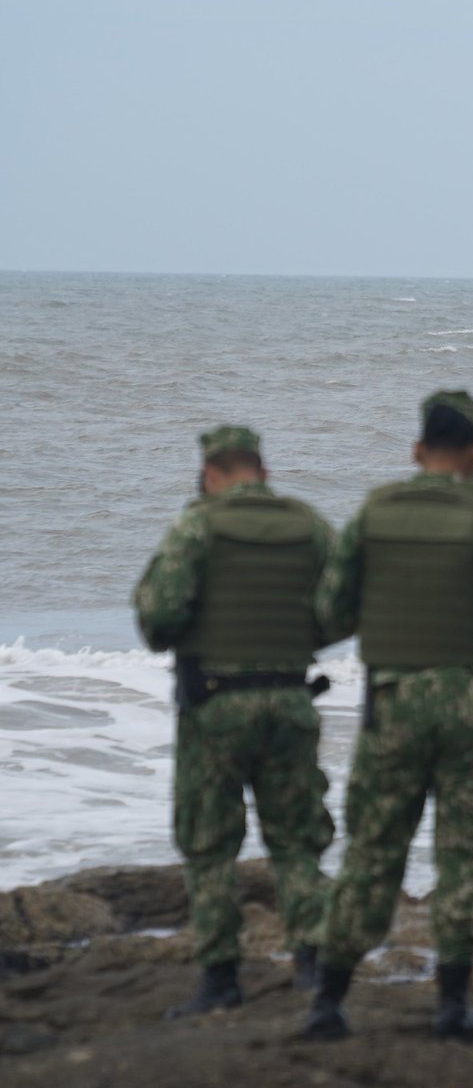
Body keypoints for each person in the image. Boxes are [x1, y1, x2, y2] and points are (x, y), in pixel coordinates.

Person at [304, 390, 473, 1042]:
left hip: (394, 704)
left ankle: (329, 998)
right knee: (467, 853)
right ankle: (452, 1003)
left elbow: (330, 614)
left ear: (418, 450)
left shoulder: (374, 512)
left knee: (372, 849)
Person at [133, 426, 337, 1019]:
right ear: (262, 470)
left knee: (211, 846)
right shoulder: (308, 524)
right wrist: (303, 638)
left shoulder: (198, 525)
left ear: (210, 473)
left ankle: (221, 980)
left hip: (216, 707)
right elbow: (344, 605)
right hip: (291, 701)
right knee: (298, 842)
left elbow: (157, 618)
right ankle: (313, 967)